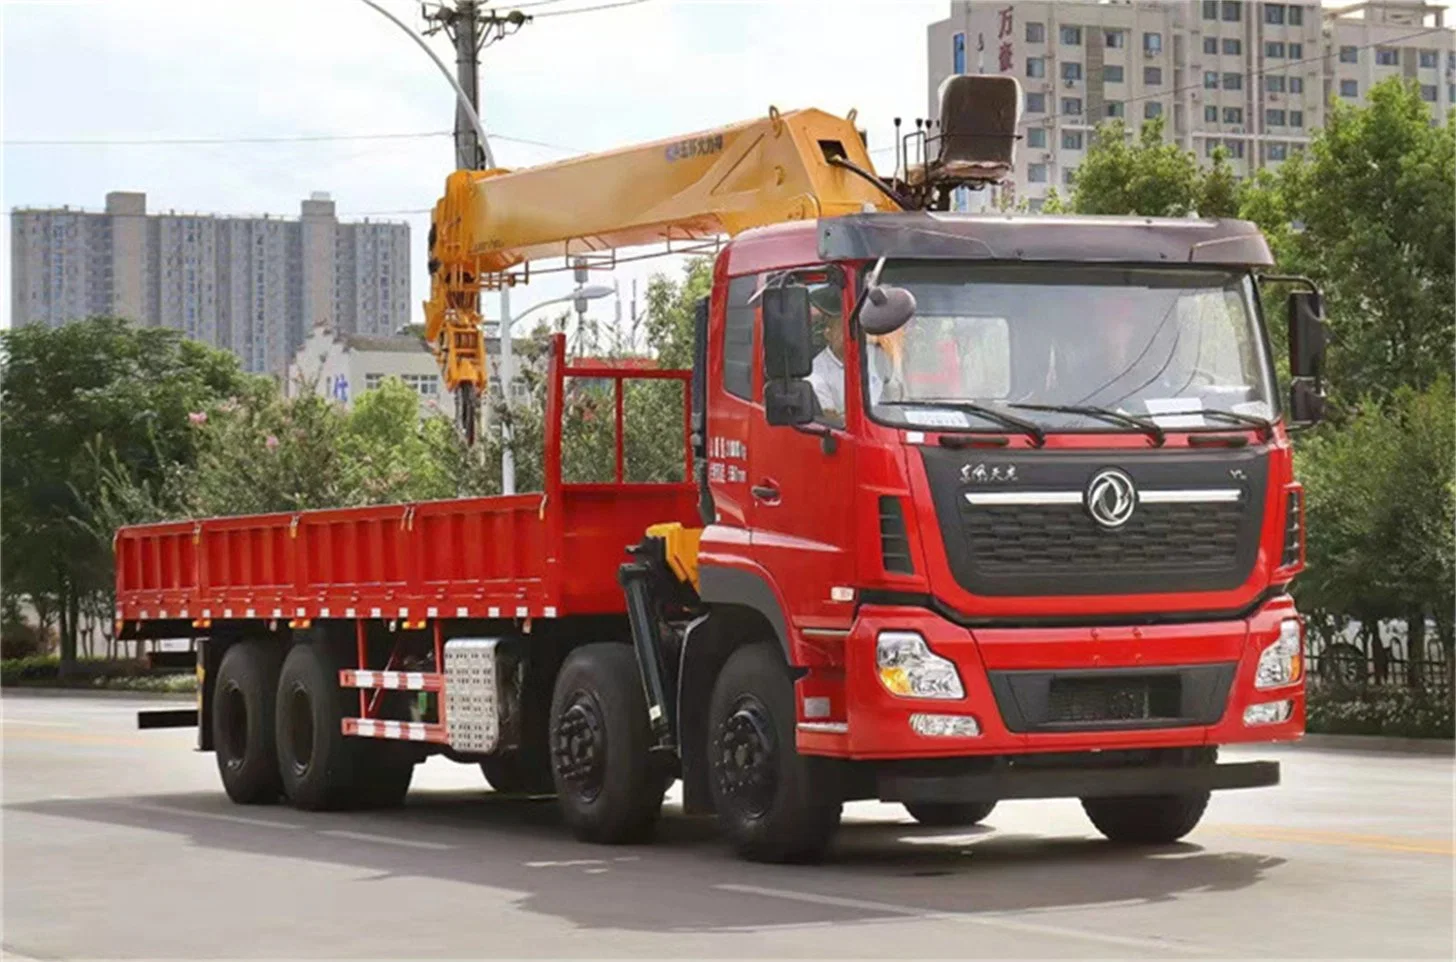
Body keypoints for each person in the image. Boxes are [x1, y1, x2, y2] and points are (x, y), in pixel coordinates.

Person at [805, 285, 884, 423]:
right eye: (844, 328)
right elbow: (830, 418)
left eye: (859, 328)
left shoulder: (875, 355)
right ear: (828, 333)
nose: (854, 334)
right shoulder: (816, 373)